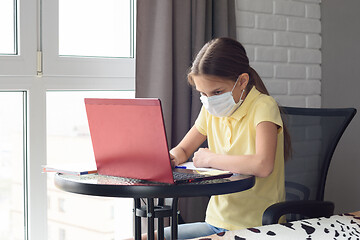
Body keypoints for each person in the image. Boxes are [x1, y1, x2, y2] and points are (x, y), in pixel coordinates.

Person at [164, 37, 291, 239]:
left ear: (242, 81)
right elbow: (183, 150)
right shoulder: (210, 110)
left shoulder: (263, 106)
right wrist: (170, 157)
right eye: (203, 94)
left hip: (256, 227)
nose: (210, 101)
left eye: (217, 92)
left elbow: (263, 165)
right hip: (216, 223)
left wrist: (210, 159)